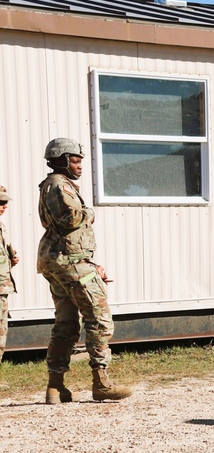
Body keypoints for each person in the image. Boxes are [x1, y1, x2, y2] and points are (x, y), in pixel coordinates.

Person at [37, 138, 132, 403]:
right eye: (75, 161)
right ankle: (101, 384)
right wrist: (89, 213)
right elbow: (71, 220)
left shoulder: (53, 184)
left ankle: (55, 387)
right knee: (99, 319)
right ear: (61, 161)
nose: (80, 166)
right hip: (69, 261)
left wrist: (90, 263)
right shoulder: (58, 184)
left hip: (61, 260)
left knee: (66, 324)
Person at [0, 185, 19, 362]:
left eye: (5, 202)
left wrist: (10, 262)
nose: (4, 206)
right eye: (0, 202)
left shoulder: (2, 226)